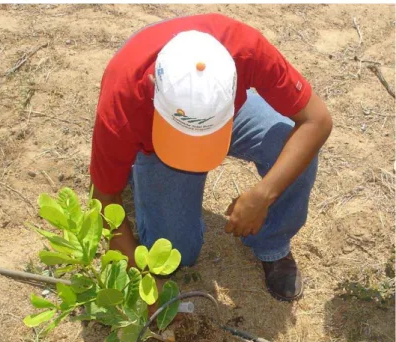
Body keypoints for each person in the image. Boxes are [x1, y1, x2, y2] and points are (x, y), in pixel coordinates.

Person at [89, 13, 332, 301]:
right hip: (155, 139)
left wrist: (264, 194)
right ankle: (135, 167)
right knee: (176, 253)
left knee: (290, 143)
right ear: (155, 92)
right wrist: (142, 282)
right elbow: (104, 198)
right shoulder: (124, 97)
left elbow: (317, 120)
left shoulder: (244, 48)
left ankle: (272, 245)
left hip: (223, 114)